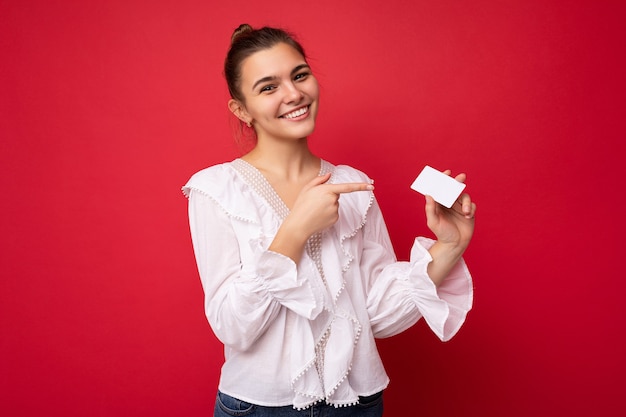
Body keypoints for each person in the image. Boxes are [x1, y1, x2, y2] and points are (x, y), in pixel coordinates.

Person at [182, 24, 477, 417]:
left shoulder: (353, 185)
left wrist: (450, 245)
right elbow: (234, 327)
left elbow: (376, 317)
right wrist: (295, 230)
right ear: (241, 109)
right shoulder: (216, 189)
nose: (293, 94)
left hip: (357, 403)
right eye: (268, 87)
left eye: (299, 75)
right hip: (260, 408)